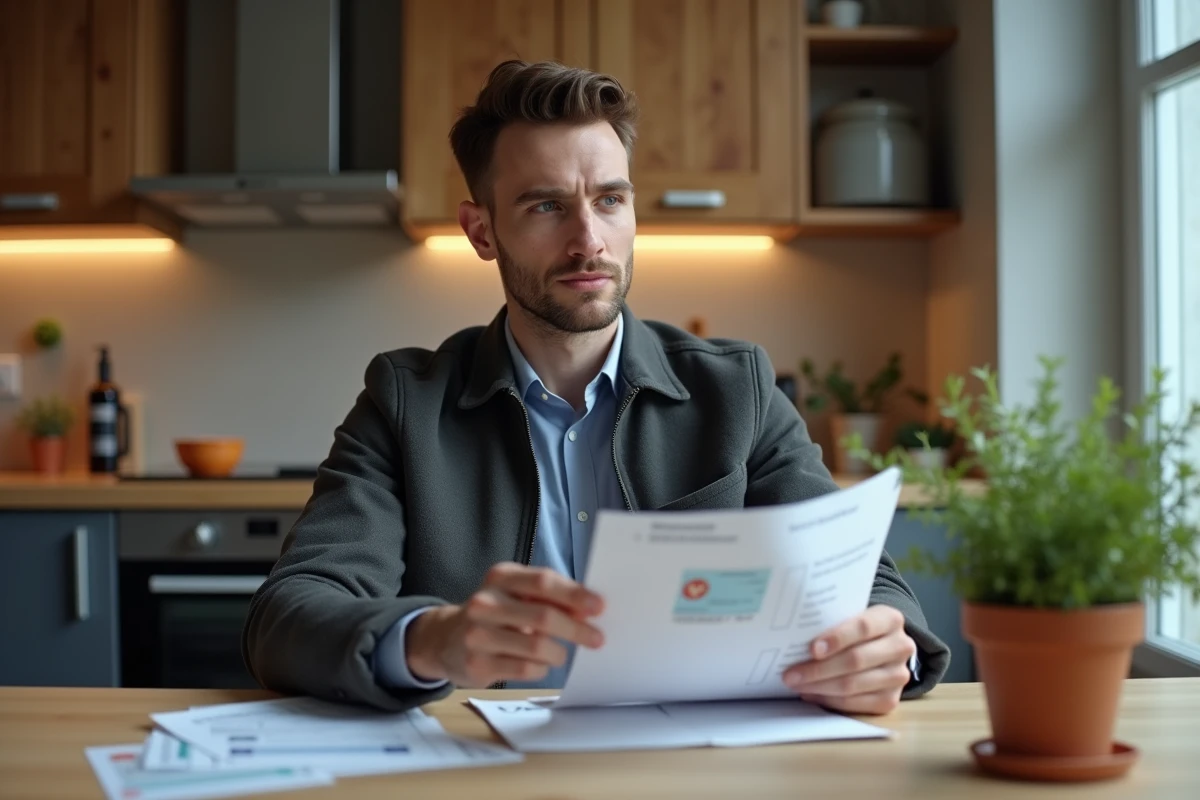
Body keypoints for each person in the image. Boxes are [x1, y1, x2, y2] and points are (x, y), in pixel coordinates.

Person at [242, 60, 950, 715]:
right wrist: (430, 639)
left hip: (696, 770)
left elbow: (864, 584)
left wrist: (889, 646)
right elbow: (289, 614)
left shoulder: (738, 390)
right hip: (481, 775)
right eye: (546, 207)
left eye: (610, 200)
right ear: (481, 230)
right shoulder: (405, 403)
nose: (589, 241)